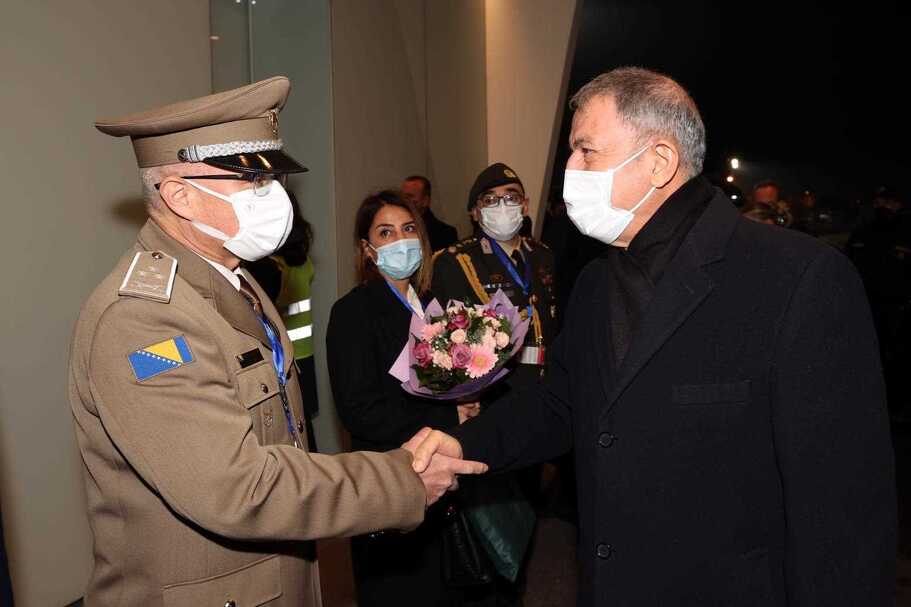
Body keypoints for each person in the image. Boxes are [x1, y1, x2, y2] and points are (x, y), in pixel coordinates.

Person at [405, 66, 896, 606]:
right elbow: (561, 404)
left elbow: (841, 510)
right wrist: (465, 443)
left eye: (586, 151)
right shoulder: (596, 281)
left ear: (659, 161)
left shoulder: (797, 278)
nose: (570, 170)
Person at [68, 77, 485, 607]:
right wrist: (399, 480)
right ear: (180, 196)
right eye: (251, 181)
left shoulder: (235, 281)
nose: (274, 197)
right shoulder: (146, 318)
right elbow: (237, 487)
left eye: (271, 178)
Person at [327, 190, 477, 606]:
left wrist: (470, 398)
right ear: (367, 249)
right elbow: (359, 410)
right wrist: (448, 417)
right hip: (389, 475)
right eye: (386, 232)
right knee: (399, 591)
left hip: (441, 473)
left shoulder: (433, 305)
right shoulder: (352, 311)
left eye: (408, 228)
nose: (400, 240)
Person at [246, 192, 320, 450]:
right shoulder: (303, 260)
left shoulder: (270, 267)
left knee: (291, 429)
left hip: (284, 359)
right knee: (305, 427)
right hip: (304, 353)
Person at [402, 175, 459, 252]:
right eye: (402, 196)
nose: (404, 201)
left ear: (425, 200)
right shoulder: (398, 228)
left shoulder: (445, 234)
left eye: (410, 196)